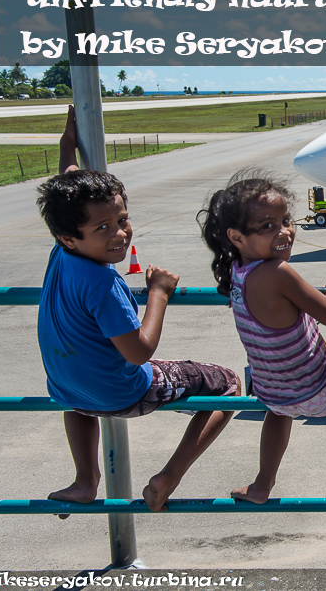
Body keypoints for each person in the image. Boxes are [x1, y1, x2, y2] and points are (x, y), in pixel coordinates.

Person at [36, 107, 240, 513]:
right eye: (104, 228)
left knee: (78, 404)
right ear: (70, 236)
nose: (120, 234)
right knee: (228, 385)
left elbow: (68, 184)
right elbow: (138, 352)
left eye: (122, 219)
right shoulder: (103, 283)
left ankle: (85, 479)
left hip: (66, 388)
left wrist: (67, 144)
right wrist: (159, 293)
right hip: (122, 392)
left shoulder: (62, 250)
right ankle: (168, 477)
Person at [198, 172, 326, 506]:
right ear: (236, 236)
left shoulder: (238, 271)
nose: (285, 232)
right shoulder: (277, 273)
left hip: (274, 394)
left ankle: (262, 484)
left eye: (286, 221)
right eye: (268, 227)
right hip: (321, 388)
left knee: (278, 414)